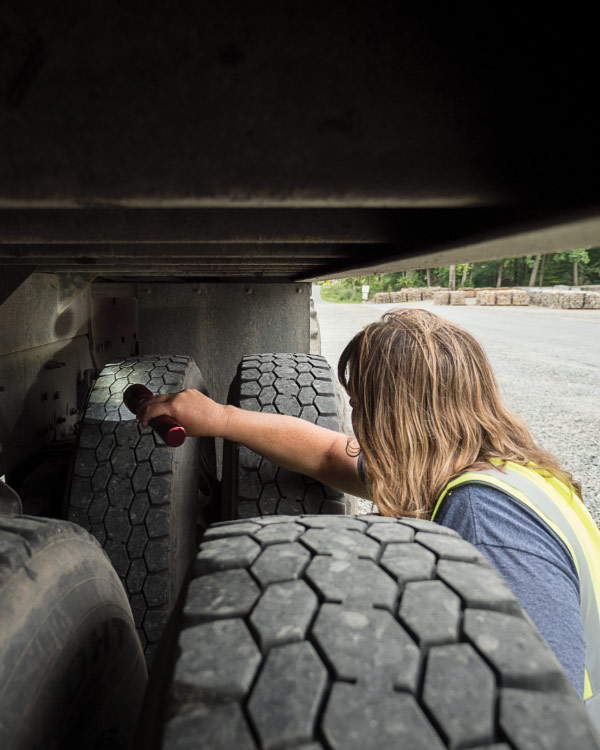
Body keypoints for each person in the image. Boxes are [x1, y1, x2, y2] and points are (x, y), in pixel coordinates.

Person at [138, 307, 600, 713]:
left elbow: (535, 712)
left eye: (361, 408)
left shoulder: (484, 517)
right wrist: (221, 418)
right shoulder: (488, 470)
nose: (357, 425)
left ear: (397, 420)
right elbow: (328, 455)